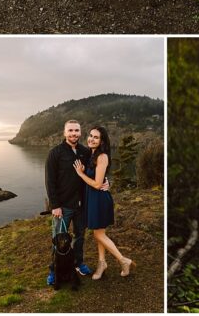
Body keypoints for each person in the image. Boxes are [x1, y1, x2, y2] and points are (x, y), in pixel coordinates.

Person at [72, 125, 135, 279]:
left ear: (102, 141)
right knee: (99, 233)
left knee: (99, 234)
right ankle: (102, 263)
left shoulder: (102, 156)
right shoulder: (90, 154)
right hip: (92, 198)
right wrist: (106, 180)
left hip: (99, 199)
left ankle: (122, 260)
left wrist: (80, 174)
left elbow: (97, 184)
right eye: (91, 136)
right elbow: (101, 179)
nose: (92, 139)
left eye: (96, 137)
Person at [44, 119, 94, 283]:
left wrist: (104, 181)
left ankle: (78, 263)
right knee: (58, 238)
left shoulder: (85, 152)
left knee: (80, 236)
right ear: (65, 133)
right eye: (70, 130)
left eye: (77, 131)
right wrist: (55, 205)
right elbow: (50, 181)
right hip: (63, 207)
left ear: (80, 133)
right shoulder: (55, 153)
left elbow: (92, 174)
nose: (74, 134)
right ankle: (54, 269)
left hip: (81, 205)